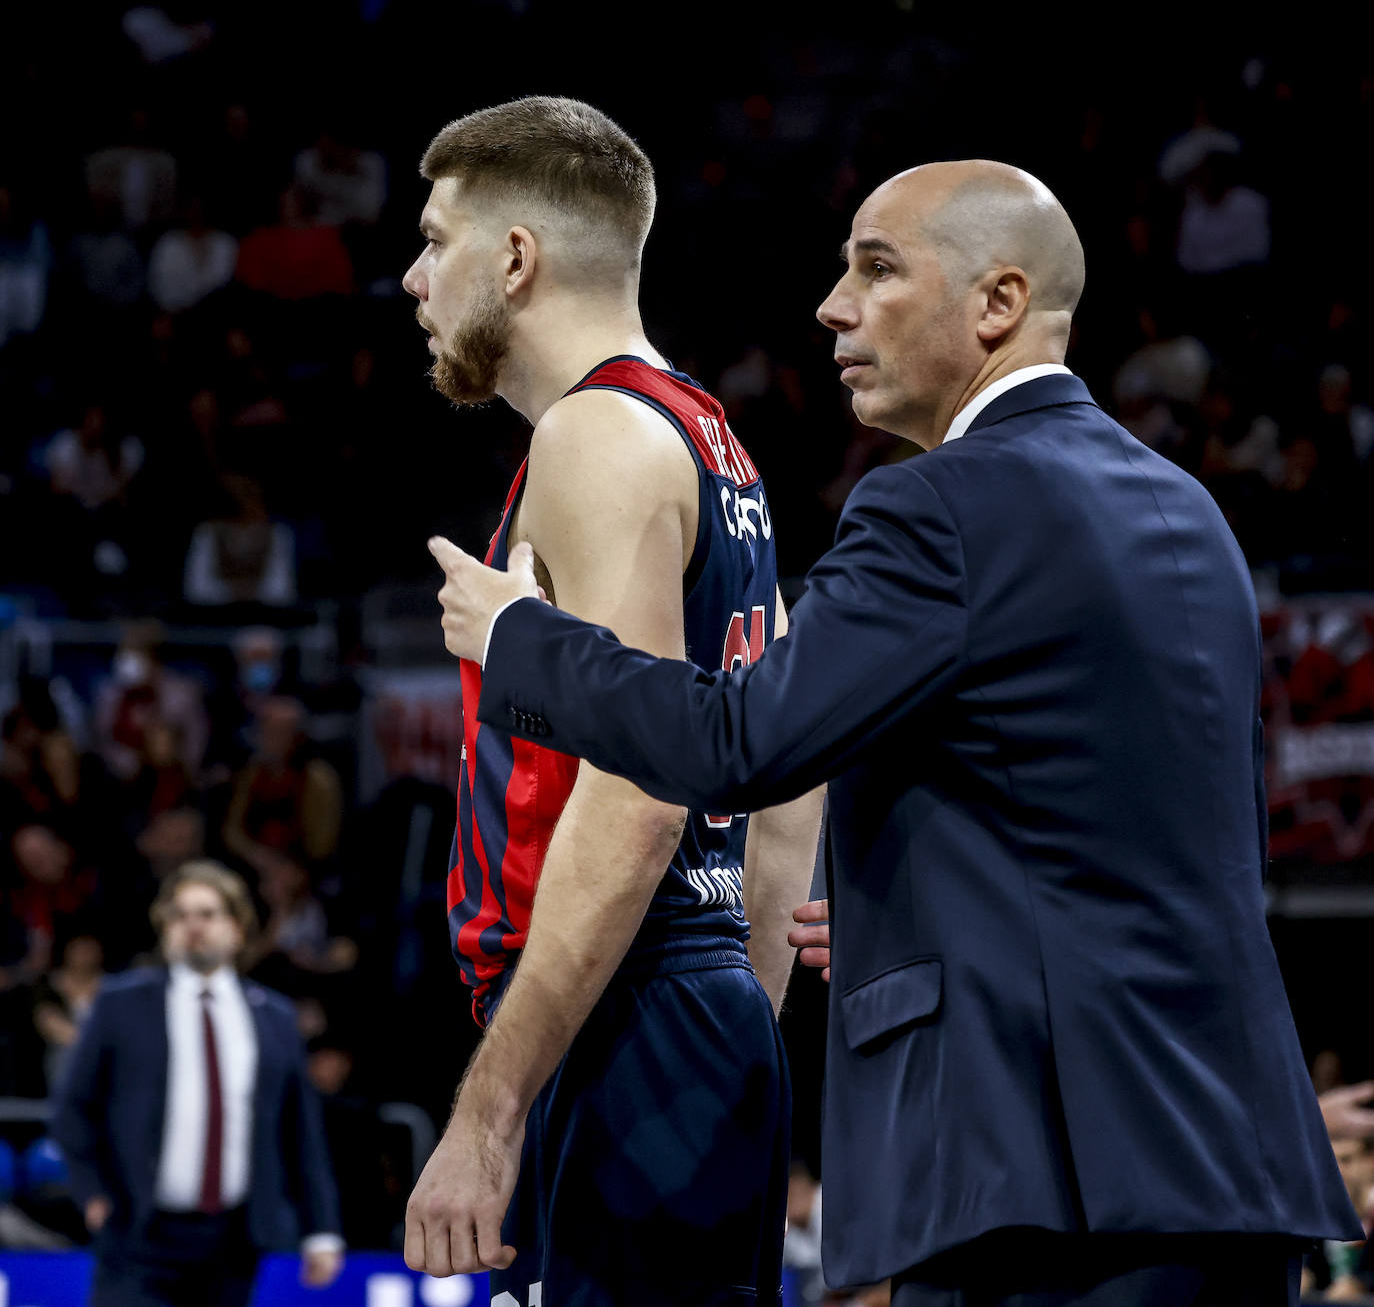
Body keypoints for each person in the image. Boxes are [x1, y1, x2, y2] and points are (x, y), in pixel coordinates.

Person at [425, 158, 1361, 1306]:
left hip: (1040, 1185)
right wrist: (900, 915)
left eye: (876, 268)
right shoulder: (1186, 507)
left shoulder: (940, 503)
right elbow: (1134, 830)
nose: (834, 304)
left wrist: (521, 638)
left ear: (998, 303)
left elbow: (735, 743)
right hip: (1226, 1161)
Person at [401, 96, 822, 1304]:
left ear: (517, 257)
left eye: (438, 239)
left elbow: (634, 799)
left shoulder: (595, 433)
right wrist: (734, 1009)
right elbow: (790, 770)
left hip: (626, 1011)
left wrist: (490, 1112)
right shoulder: (708, 433)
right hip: (697, 1015)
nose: (417, 276)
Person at [51, 860, 343, 1306]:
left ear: (238, 927)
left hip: (233, 1237)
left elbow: (301, 1131)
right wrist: (92, 1191)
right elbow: (73, 1105)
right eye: (180, 915)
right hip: (136, 1230)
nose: (193, 926)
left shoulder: (275, 1018)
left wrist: (321, 1229)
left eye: (207, 914)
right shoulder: (121, 1003)